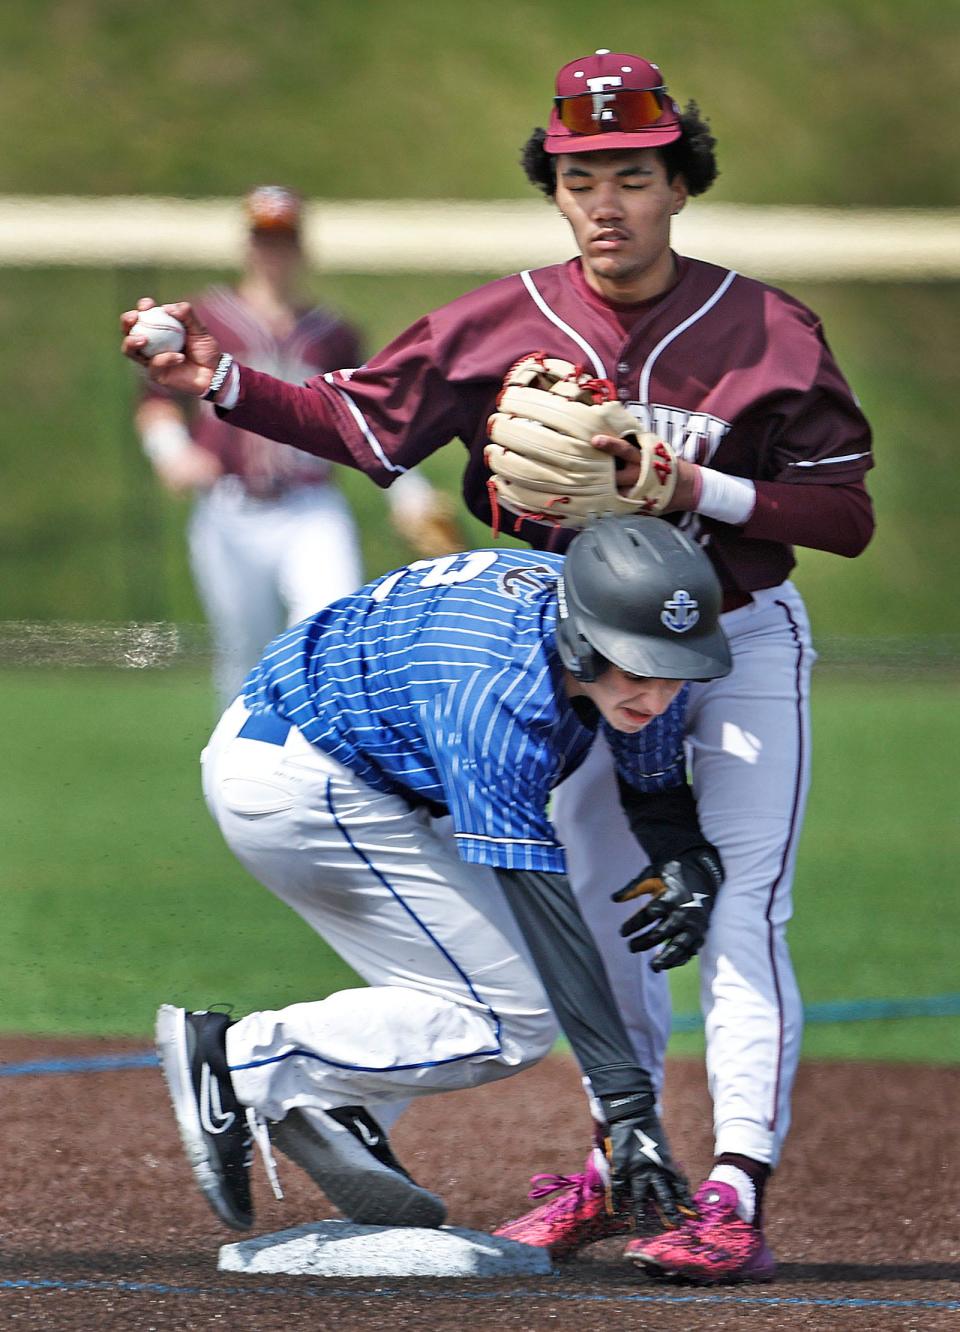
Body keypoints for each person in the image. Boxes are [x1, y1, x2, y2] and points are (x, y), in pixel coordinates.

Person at [123, 47, 875, 1282]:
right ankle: (619, 1161)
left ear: (679, 181)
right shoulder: (500, 320)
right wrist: (219, 381)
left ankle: (732, 1184)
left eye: (634, 173)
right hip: (579, 655)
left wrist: (693, 485)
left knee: (737, 908)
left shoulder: (765, 328)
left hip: (730, 642)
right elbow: (357, 425)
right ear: (556, 187)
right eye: (582, 177)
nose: (607, 203)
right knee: (604, 915)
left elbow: (841, 515)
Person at [154, 516, 731, 1238]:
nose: (659, 691)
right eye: (638, 666)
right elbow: (545, 911)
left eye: (676, 667)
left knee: (473, 989)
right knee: (512, 1014)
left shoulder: (592, 623)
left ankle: (337, 1102)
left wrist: (684, 855)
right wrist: (631, 1114)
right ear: (583, 641)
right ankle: (243, 1062)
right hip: (305, 784)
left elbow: (651, 783)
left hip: (340, 764)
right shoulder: (497, 690)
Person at [133, 184, 461, 706]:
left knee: (328, 629)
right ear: (246, 245)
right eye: (264, 240)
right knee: (244, 655)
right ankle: (238, 775)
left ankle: (316, 763)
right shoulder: (209, 318)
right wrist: (171, 449)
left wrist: (409, 493)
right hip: (230, 504)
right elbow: (154, 400)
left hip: (311, 507)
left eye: (283, 240)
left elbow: (365, 421)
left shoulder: (333, 335)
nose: (273, 253)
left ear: (302, 247)